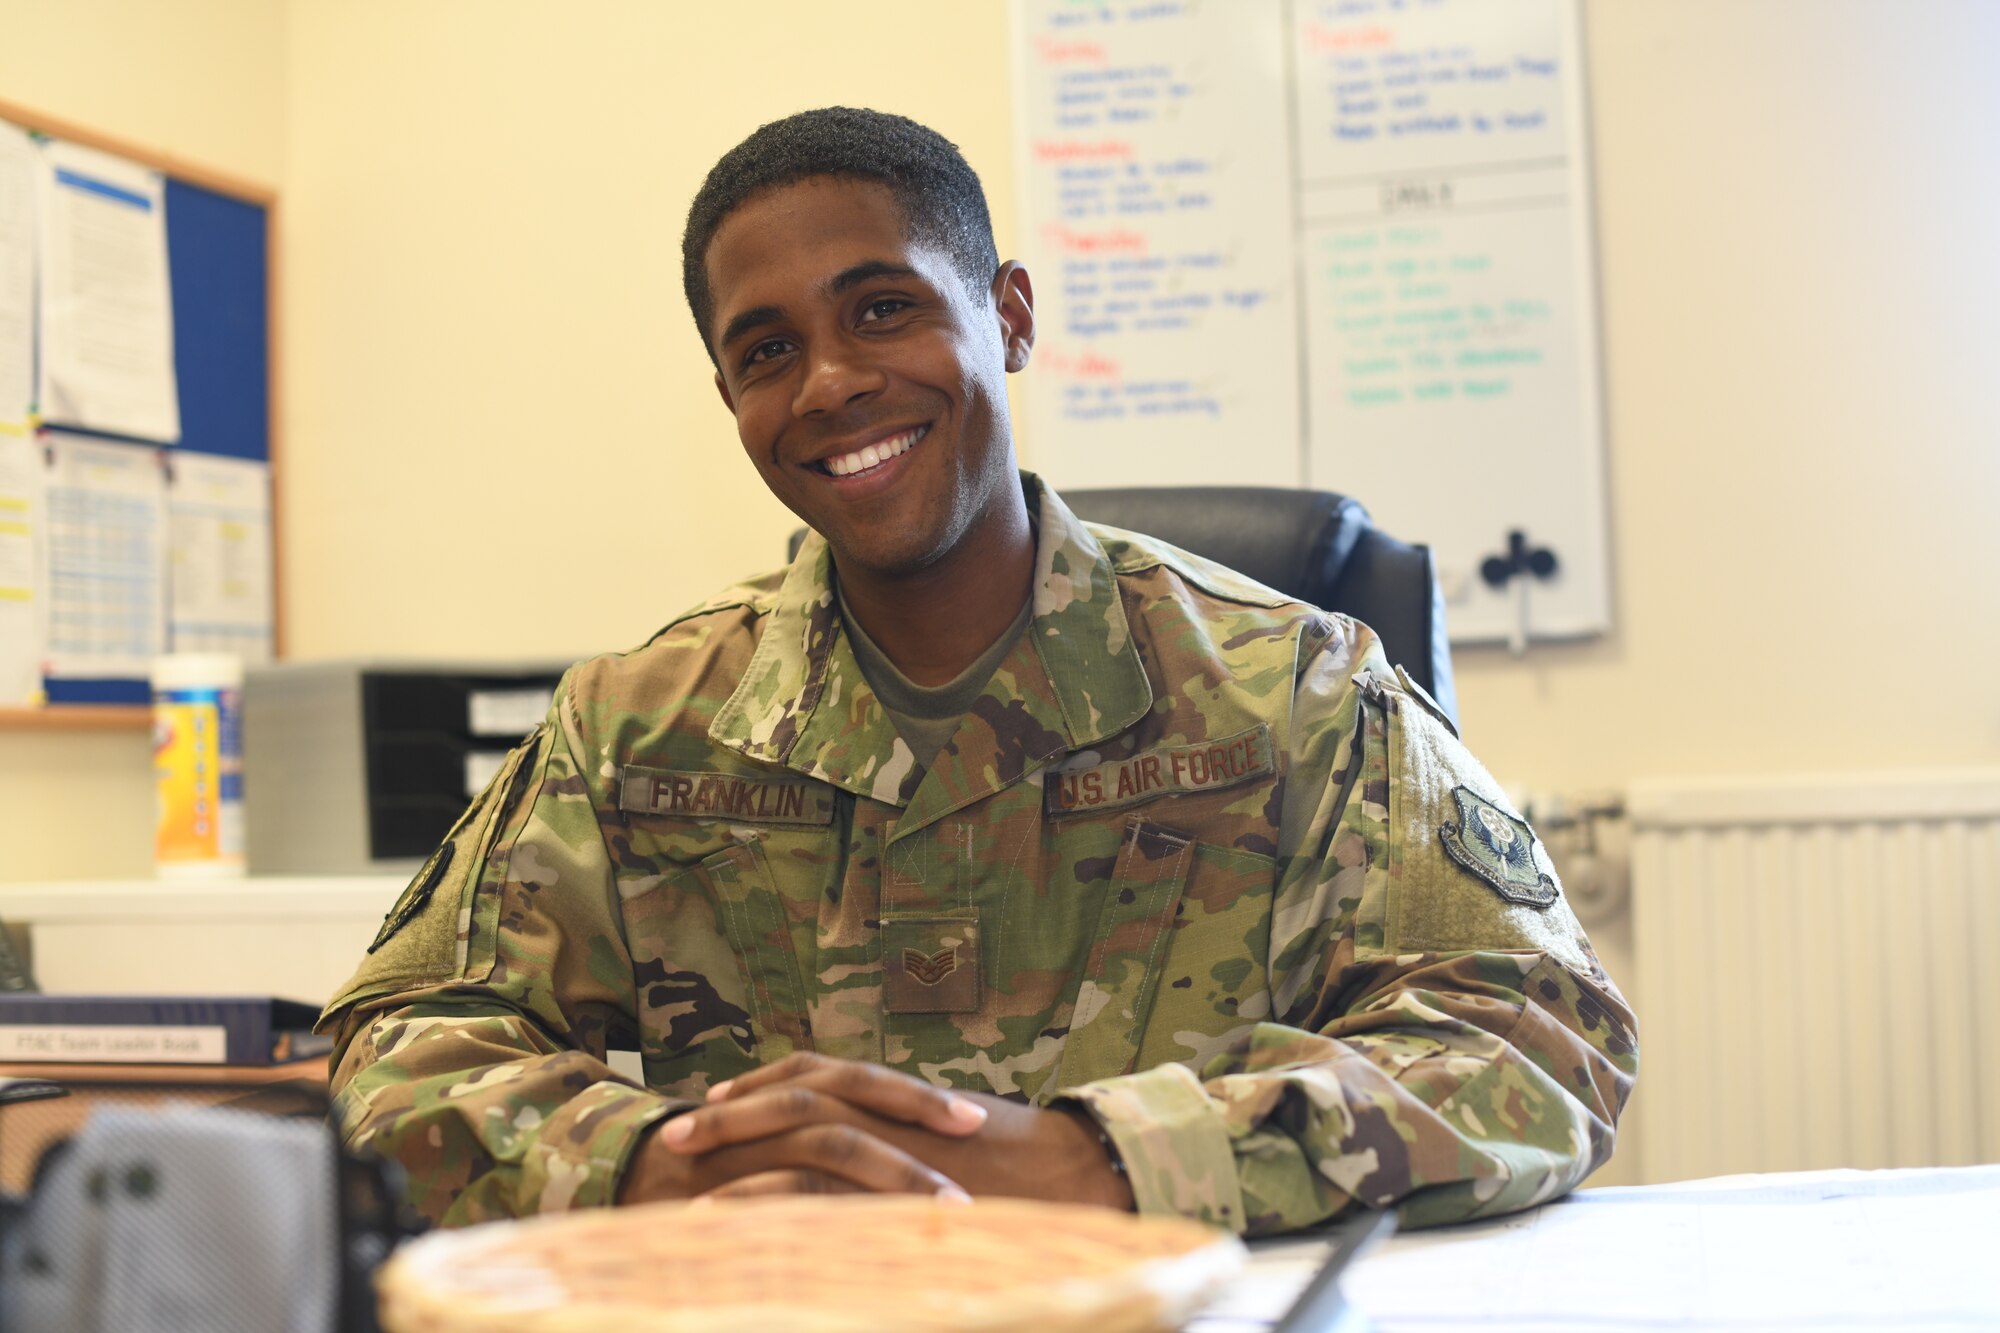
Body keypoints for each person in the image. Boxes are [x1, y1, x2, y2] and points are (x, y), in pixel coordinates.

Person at [321, 107, 1636, 1236]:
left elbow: (1535, 1037)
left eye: (882, 309)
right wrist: (659, 1162)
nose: (828, 382)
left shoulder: (1290, 691)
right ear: (730, 398)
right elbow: (399, 1050)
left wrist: (1105, 1162)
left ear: (1008, 315)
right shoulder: (638, 728)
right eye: (766, 350)